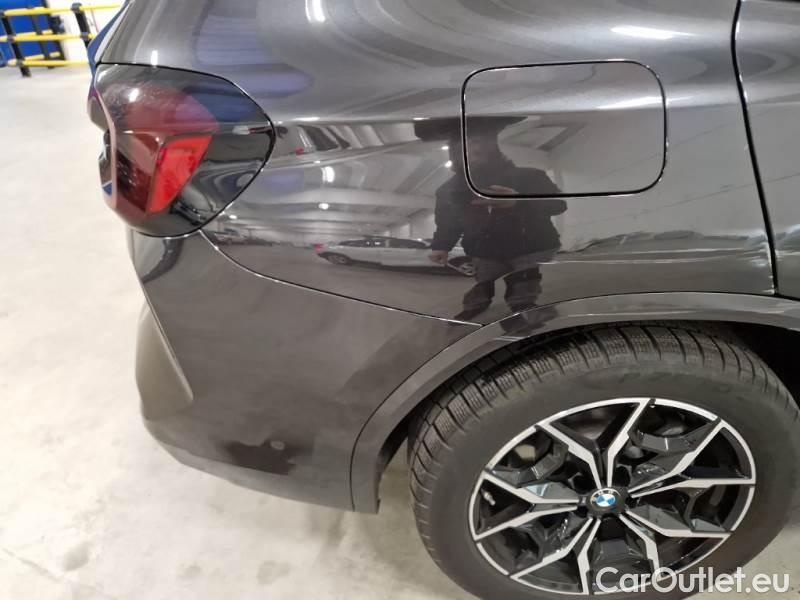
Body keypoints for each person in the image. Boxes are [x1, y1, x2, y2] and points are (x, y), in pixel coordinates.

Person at [428, 124, 567, 321]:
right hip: (483, 250)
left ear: (492, 146)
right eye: (461, 147)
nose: (471, 149)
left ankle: (523, 307)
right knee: (482, 282)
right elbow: (448, 222)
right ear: (454, 154)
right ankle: (475, 306)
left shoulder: (530, 176)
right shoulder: (447, 190)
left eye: (476, 142)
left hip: (530, 246)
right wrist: (441, 246)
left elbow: (557, 205)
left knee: (525, 281)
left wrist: (518, 201)